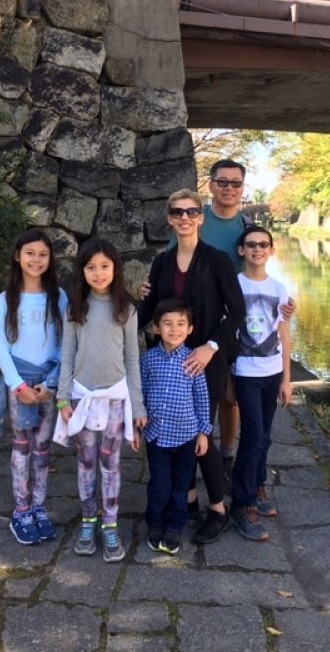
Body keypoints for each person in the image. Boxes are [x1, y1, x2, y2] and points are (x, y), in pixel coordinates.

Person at [162, 159, 295, 492]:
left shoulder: (246, 225)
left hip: (235, 325)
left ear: (242, 188)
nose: (229, 188)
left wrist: (281, 305)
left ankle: (227, 456)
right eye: (222, 182)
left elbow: (258, 272)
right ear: (211, 185)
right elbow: (169, 264)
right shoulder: (195, 218)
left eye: (236, 183)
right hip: (194, 319)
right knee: (191, 391)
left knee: (230, 396)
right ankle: (188, 456)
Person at [138, 189, 245, 544]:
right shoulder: (161, 263)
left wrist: (210, 347)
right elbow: (149, 310)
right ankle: (189, 500)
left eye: (192, 212)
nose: (185, 217)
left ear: (201, 217)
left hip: (204, 361)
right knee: (173, 431)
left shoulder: (217, 260)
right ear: (169, 218)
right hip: (167, 361)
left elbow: (237, 312)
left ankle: (218, 509)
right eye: (177, 212)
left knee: (201, 435)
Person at [55, 238, 147, 563]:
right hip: (82, 398)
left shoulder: (127, 308)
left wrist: (137, 407)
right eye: (91, 267)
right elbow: (67, 355)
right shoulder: (75, 307)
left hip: (115, 401)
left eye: (104, 266)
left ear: (115, 268)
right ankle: (87, 520)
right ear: (82, 270)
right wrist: (62, 397)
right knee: (86, 463)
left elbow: (133, 360)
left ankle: (109, 524)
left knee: (111, 464)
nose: (98, 273)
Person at [0, 228, 67, 545]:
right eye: (30, 253)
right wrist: (17, 385)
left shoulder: (58, 297)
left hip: (49, 382)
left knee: (42, 448)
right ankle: (21, 510)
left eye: (43, 254)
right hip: (19, 384)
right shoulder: (6, 299)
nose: (36, 259)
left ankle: (39, 507)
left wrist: (51, 384)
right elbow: (0, 346)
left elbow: (66, 343)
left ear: (50, 259)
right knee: (21, 448)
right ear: (17, 256)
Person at [229, 226, 292, 541]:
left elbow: (282, 333)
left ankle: (257, 482)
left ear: (271, 250)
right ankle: (242, 503)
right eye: (251, 245)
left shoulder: (279, 288)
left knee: (264, 435)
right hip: (245, 371)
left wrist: (287, 379)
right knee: (252, 435)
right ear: (241, 250)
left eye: (263, 245)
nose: (257, 249)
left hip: (271, 372)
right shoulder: (233, 285)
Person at [140, 299, 211, 555]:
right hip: (157, 436)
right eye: (167, 324)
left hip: (186, 437)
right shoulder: (148, 360)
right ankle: (155, 523)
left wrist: (204, 432)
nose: (174, 329)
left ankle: (174, 528)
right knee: (159, 485)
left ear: (190, 329)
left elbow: (202, 398)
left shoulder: (194, 361)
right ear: (157, 328)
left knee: (181, 486)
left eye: (181, 324)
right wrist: (137, 424)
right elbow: (142, 394)